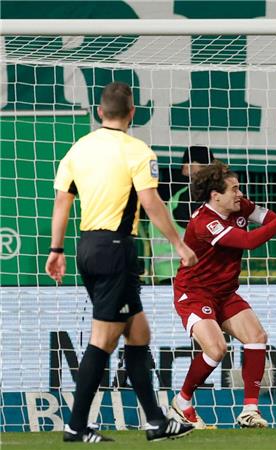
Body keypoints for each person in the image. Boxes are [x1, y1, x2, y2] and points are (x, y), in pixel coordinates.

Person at [45, 81, 196, 442]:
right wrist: (178, 243)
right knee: (103, 338)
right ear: (132, 112)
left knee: (138, 332)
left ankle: (157, 423)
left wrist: (56, 250)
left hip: (87, 247)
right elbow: (150, 202)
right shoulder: (138, 151)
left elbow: (62, 202)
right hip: (116, 249)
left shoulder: (78, 149)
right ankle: (76, 425)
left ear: (100, 112)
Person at [169, 161, 276, 429]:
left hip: (225, 292)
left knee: (256, 337)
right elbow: (248, 242)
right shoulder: (204, 223)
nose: (240, 193)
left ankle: (250, 411)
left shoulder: (241, 206)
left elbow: (271, 220)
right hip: (194, 293)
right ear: (215, 195)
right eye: (234, 189)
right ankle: (181, 403)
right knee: (216, 350)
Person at [148, 145, 216, 283]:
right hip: (184, 267)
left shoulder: (180, 196)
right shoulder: (190, 195)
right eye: (202, 166)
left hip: (173, 268)